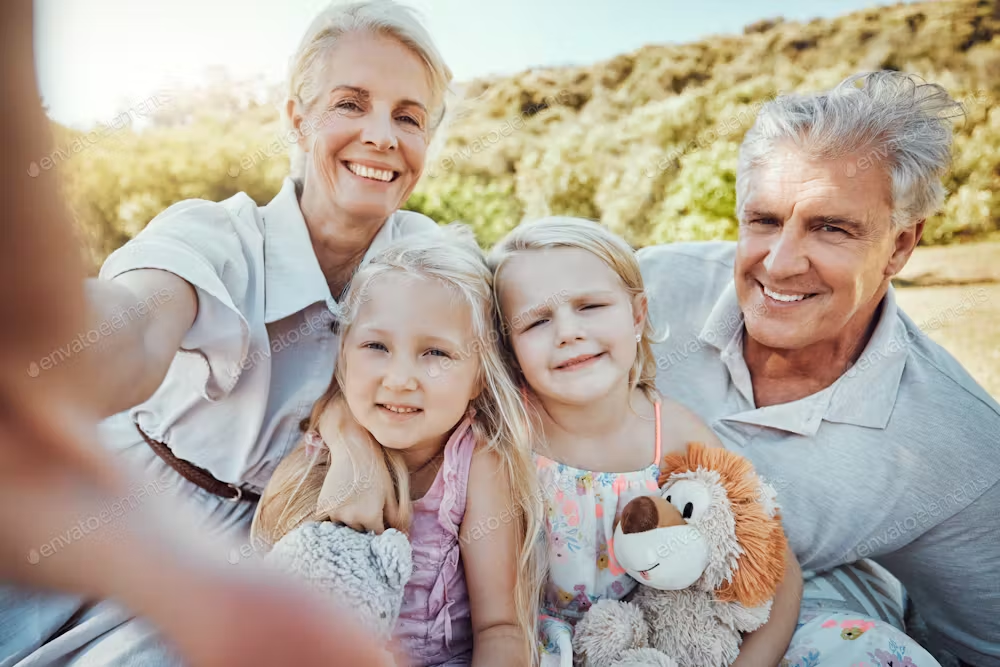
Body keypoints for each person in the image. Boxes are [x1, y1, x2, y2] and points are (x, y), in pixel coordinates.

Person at [1, 1, 456, 664]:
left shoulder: (426, 259)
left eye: (408, 116)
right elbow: (134, 332)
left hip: (274, 542)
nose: (381, 135)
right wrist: (47, 363)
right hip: (125, 499)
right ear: (298, 119)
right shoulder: (216, 234)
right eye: (350, 104)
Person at [638, 71, 1000, 666]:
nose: (779, 265)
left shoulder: (960, 446)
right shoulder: (643, 291)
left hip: (792, 619)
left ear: (901, 245)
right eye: (763, 220)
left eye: (831, 228)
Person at [487, 217, 804, 666]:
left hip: (656, 647)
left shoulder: (675, 435)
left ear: (638, 315)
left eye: (590, 306)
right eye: (536, 321)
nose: (567, 332)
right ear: (509, 349)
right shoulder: (504, 436)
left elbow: (778, 567)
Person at [251, 229, 543, 667]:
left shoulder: (476, 462)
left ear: (480, 374)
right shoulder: (320, 451)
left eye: (436, 353)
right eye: (376, 346)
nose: (401, 378)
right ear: (344, 354)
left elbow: (500, 627)